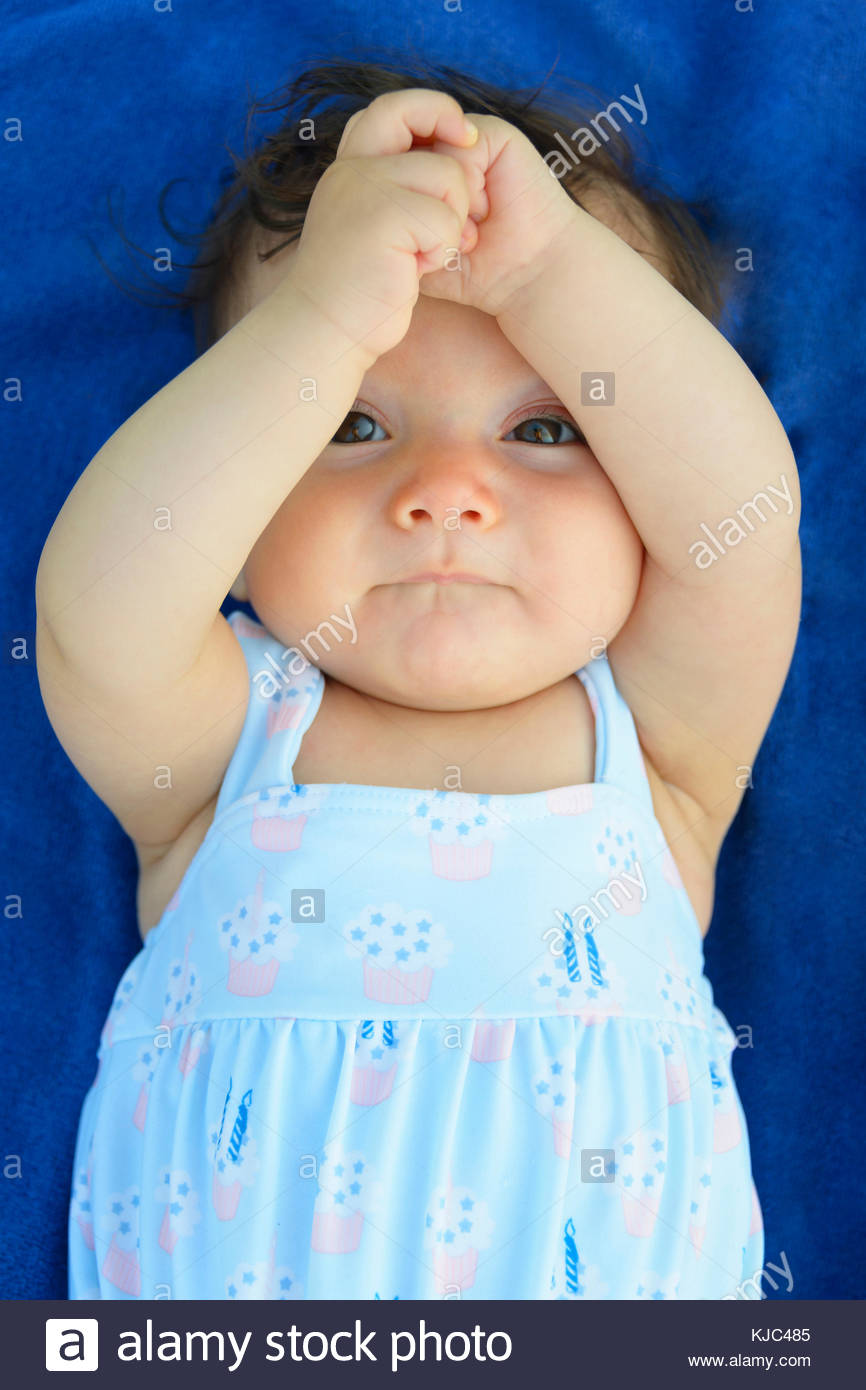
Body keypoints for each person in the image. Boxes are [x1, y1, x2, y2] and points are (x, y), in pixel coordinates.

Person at [36, 57, 800, 1300]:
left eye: (544, 428)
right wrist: (322, 320)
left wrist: (548, 269)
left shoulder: (656, 747)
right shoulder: (224, 737)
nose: (445, 492)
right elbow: (96, 609)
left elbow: (744, 517)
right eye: (349, 419)